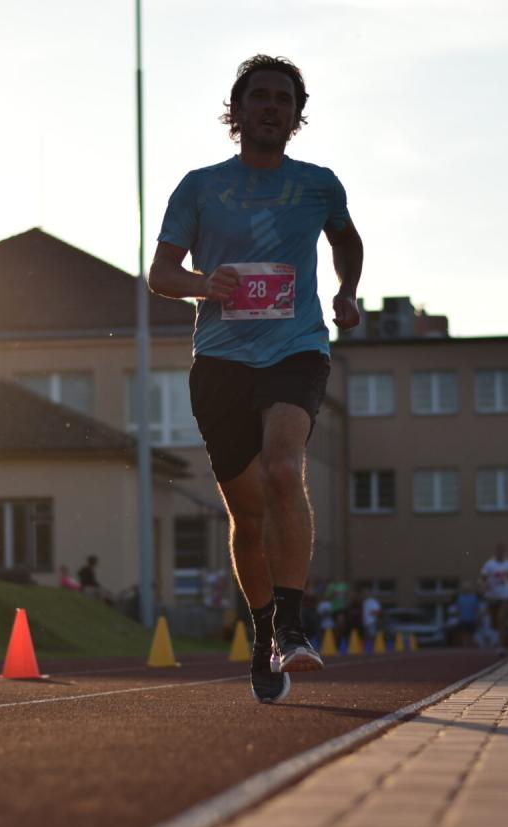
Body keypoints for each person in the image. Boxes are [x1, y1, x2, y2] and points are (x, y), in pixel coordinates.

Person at [148, 55, 363, 704]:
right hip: (220, 362)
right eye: (260, 96)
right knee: (246, 512)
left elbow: (346, 241)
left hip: (297, 350)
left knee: (282, 471)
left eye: (284, 99)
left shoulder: (319, 184)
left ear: (297, 116)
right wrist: (201, 284)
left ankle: (294, 627)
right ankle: (265, 628)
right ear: (236, 110)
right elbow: (161, 274)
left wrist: (347, 291)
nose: (272, 106)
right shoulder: (200, 188)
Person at [480, 543, 508, 649]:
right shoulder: (489, 564)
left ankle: (501, 646)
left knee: (500, 619)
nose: (500, 553)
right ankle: (505, 630)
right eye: (498, 551)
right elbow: (483, 577)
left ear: (505, 553)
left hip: (504, 596)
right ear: (495, 553)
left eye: (502, 551)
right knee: (494, 624)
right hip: (492, 596)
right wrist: (485, 586)